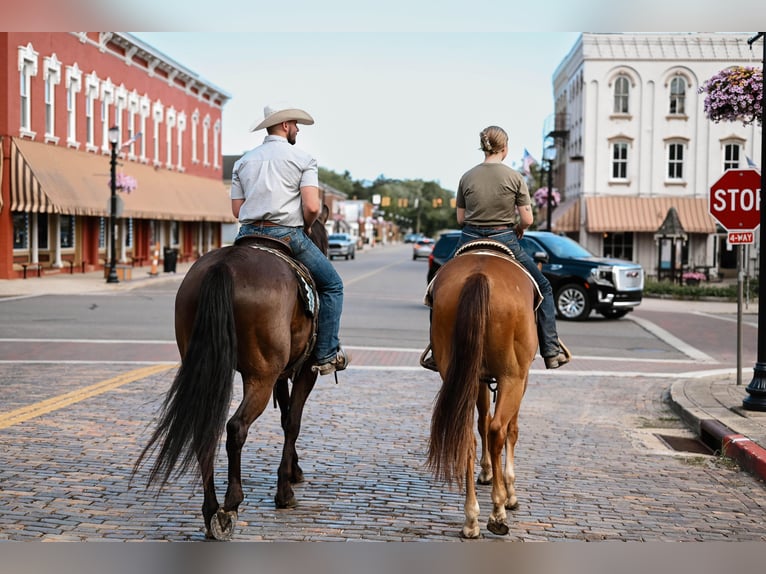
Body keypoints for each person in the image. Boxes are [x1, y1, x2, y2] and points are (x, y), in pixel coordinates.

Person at [422, 125, 570, 370]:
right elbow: (528, 219)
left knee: (437, 287)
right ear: (505, 148)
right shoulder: (514, 177)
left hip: (468, 237)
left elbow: (460, 218)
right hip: (504, 237)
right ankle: (551, 349)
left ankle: (436, 352)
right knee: (543, 286)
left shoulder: (467, 176)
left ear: (483, 147)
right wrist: (519, 227)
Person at [230, 104, 350, 376]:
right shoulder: (303, 159)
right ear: (285, 126)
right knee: (333, 285)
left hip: (247, 235)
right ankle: (326, 353)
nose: (297, 130)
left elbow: (237, 210)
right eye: (296, 125)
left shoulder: (244, 162)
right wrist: (307, 227)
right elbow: (311, 208)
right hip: (286, 233)